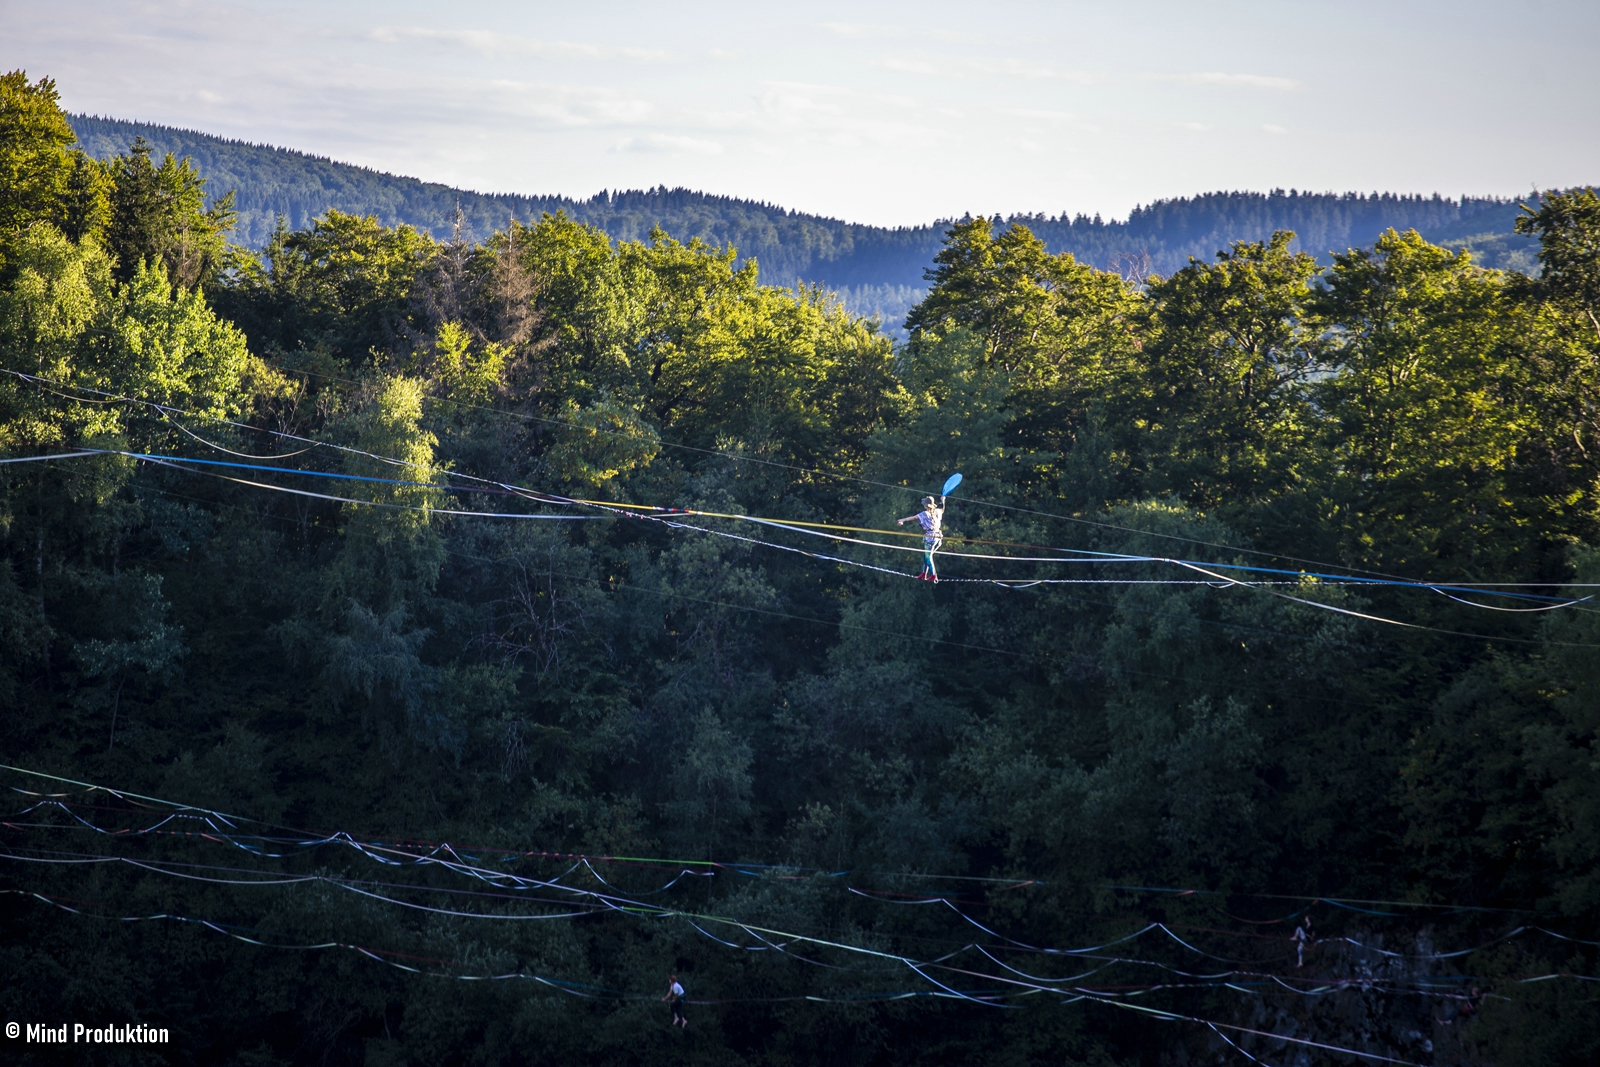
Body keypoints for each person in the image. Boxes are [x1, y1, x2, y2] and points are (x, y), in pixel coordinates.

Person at [897, 495, 946, 582]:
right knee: (926, 556)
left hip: (930, 538)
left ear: (926, 506)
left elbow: (914, 517)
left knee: (928, 557)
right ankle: (924, 573)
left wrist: (902, 520)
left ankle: (934, 575)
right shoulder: (937, 511)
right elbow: (942, 509)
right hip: (938, 537)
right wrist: (943, 501)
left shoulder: (925, 514)